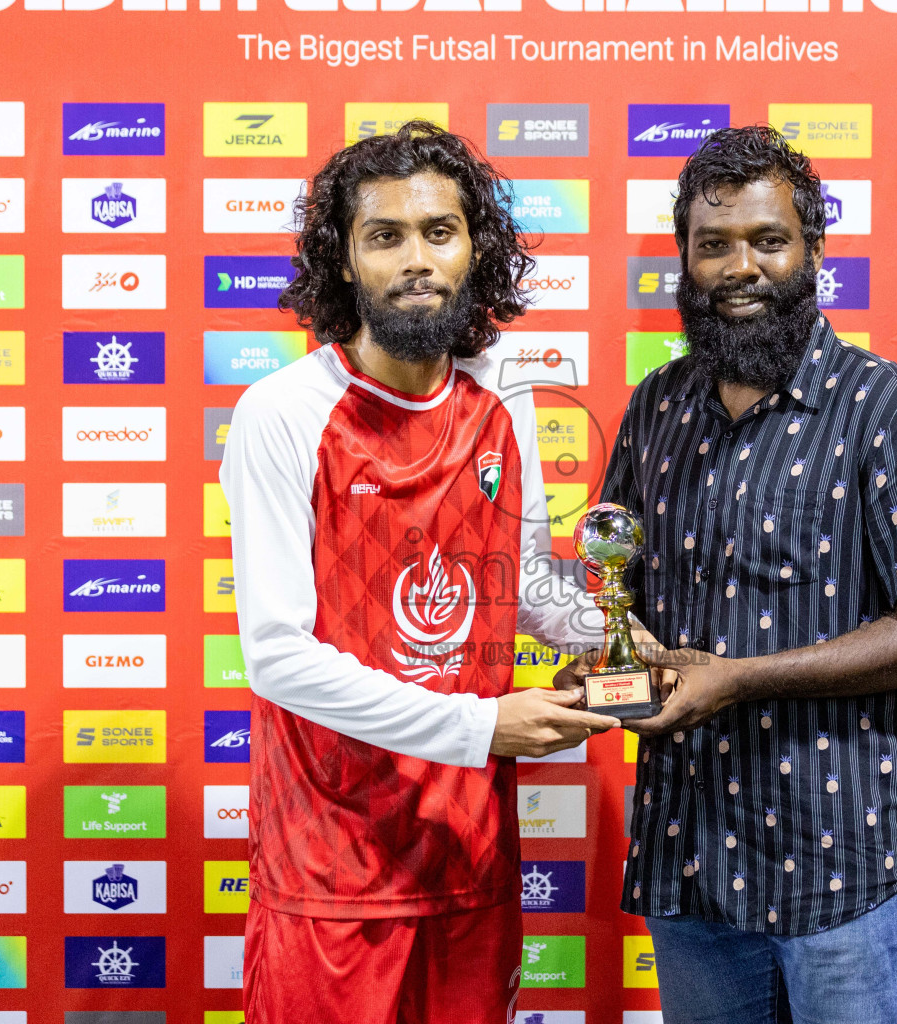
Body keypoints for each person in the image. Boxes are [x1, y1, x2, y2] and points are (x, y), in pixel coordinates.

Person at [557, 125, 897, 1022]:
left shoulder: (883, 408)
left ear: (811, 252)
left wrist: (737, 680)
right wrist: (603, 674)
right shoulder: (657, 408)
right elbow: (620, 596)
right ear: (685, 262)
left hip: (842, 870)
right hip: (694, 861)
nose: (739, 266)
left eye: (767, 240)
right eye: (713, 246)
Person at [220, 121, 620, 1023]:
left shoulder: (500, 400)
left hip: (469, 860)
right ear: (344, 260)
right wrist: (483, 725)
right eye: (384, 235)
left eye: (439, 231)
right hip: (331, 874)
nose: (415, 258)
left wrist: (626, 639)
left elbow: (521, 595)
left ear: (477, 249)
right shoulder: (282, 413)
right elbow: (277, 655)